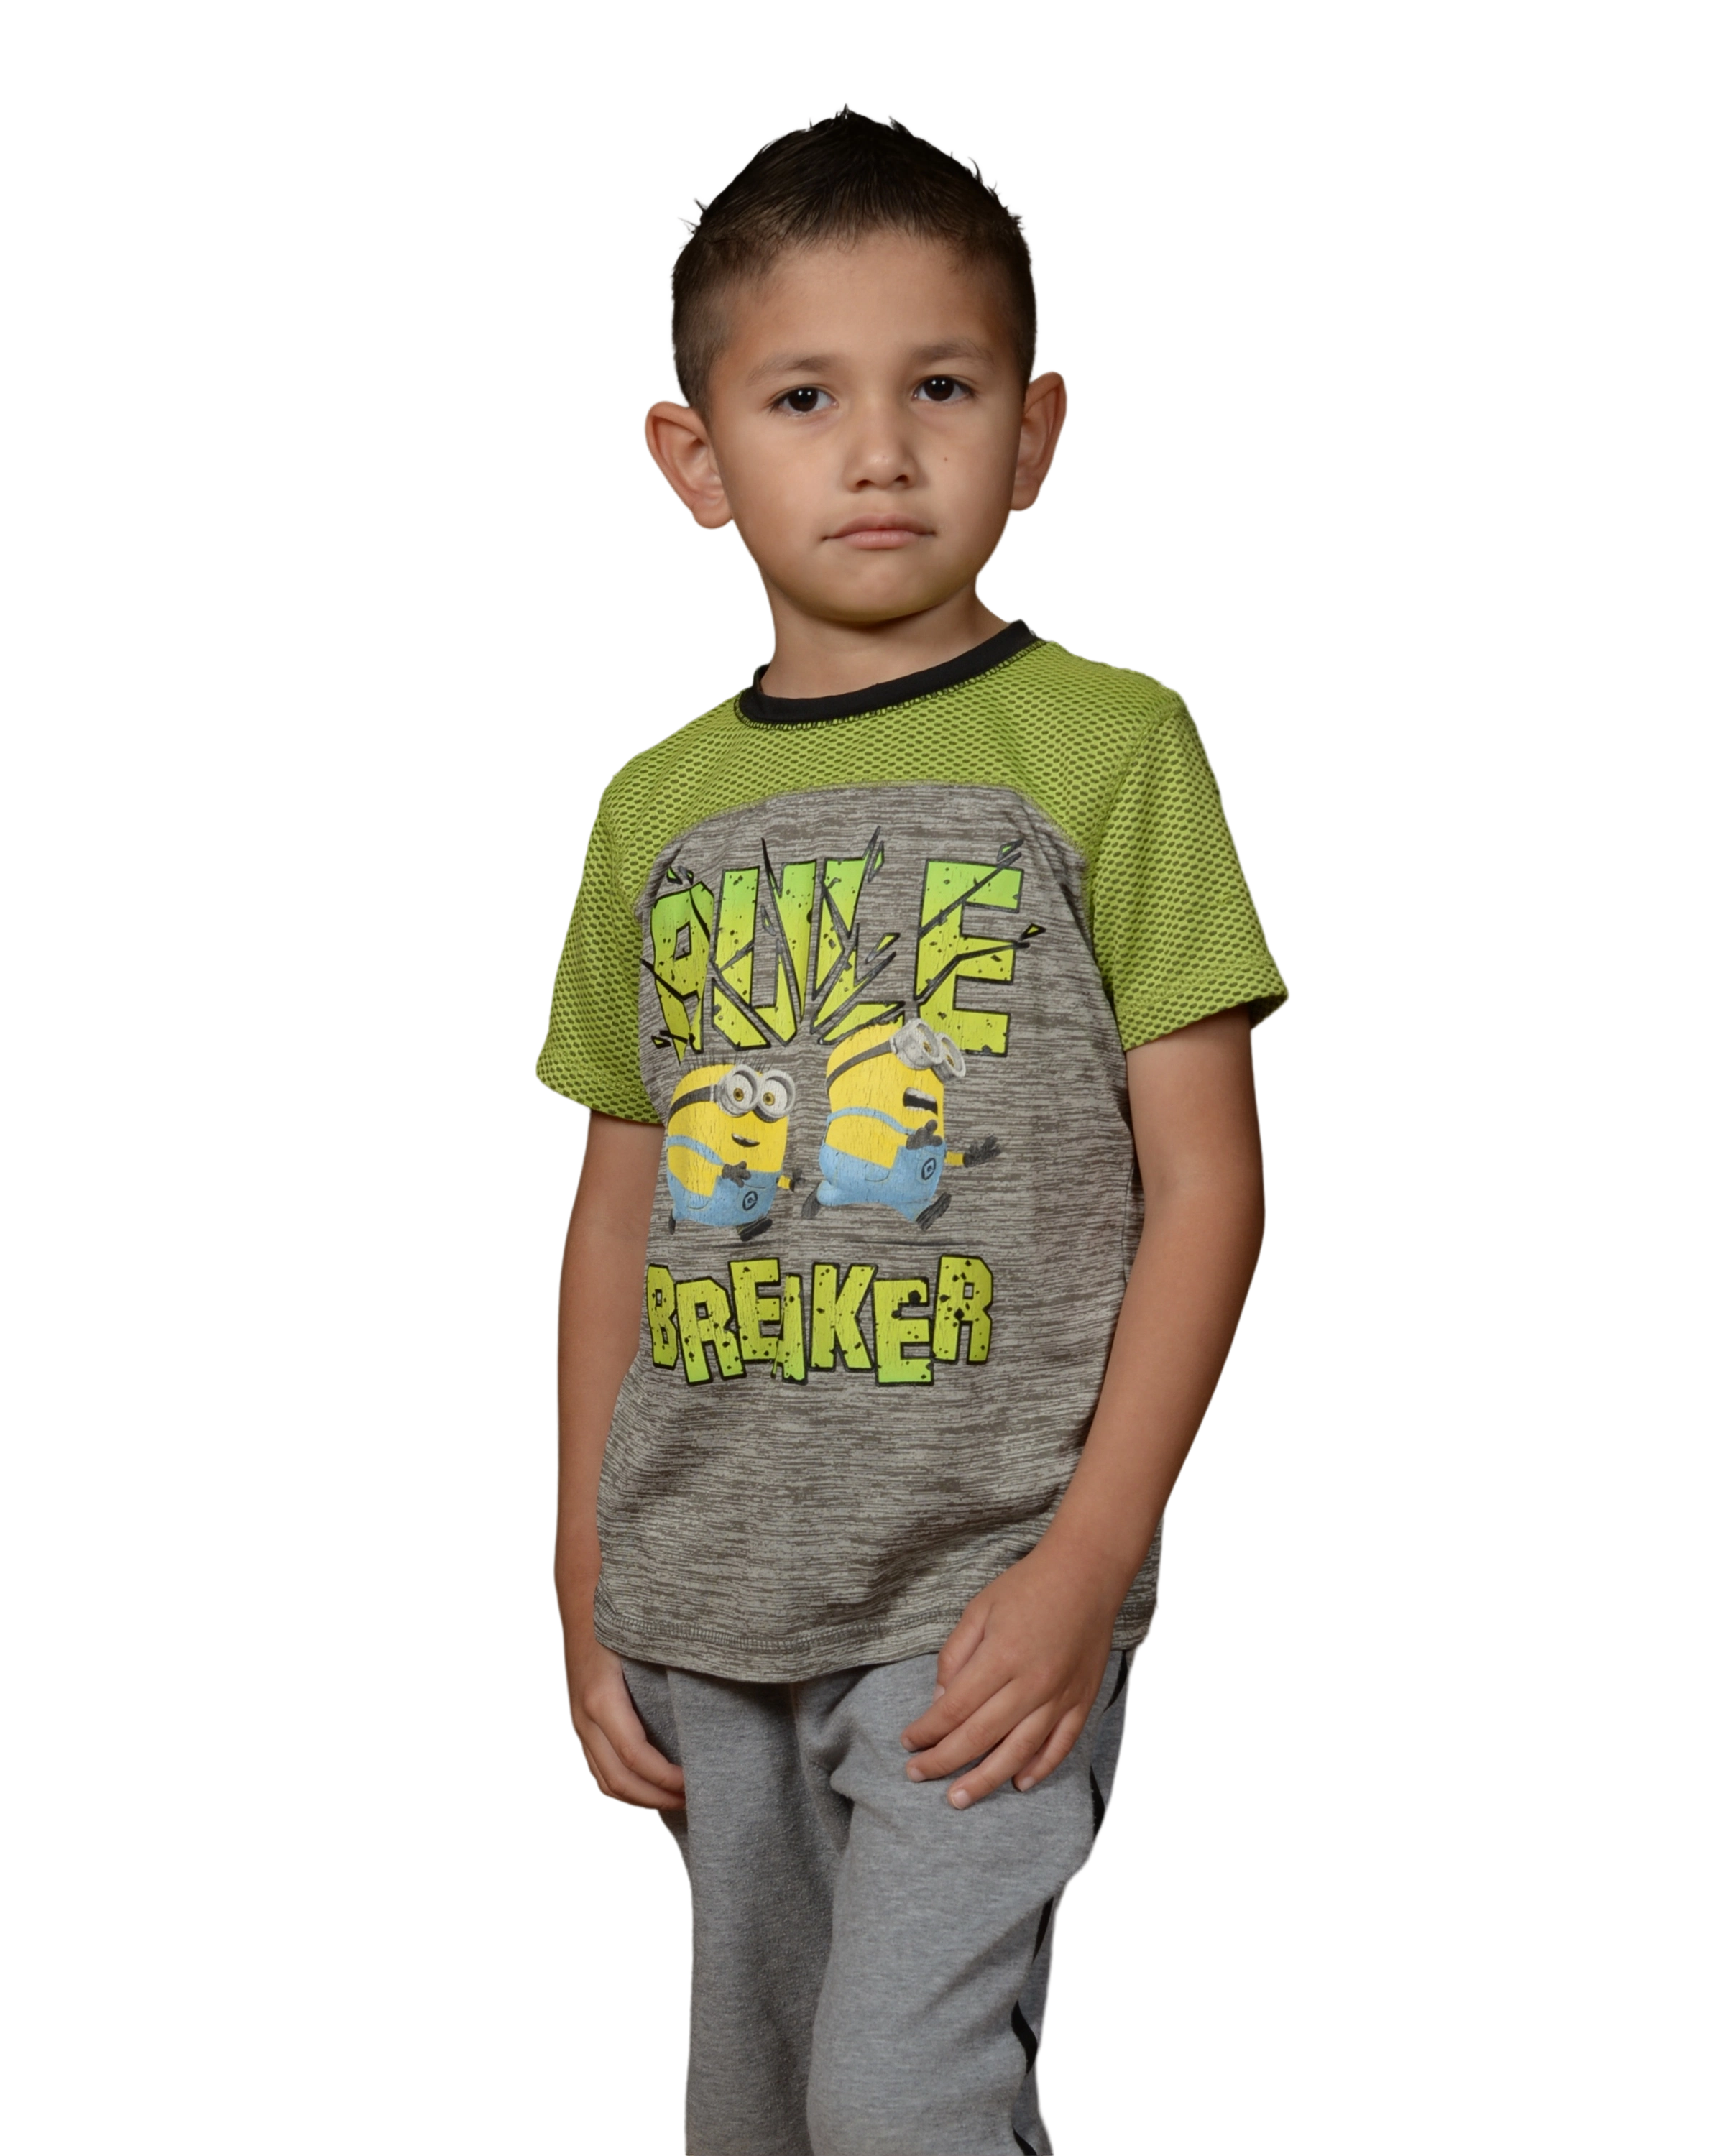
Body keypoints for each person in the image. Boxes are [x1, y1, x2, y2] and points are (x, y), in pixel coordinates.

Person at [534, 102, 1292, 2156]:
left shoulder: (1111, 747)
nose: (877, 450)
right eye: (805, 396)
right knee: (757, 2113)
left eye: (939, 388)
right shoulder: (651, 806)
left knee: (900, 2104)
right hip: (706, 1596)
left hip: (982, 1595)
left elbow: (1208, 1182)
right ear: (696, 456)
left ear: (1036, 433)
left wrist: (1090, 1559)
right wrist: (587, 1581)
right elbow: (613, 1216)